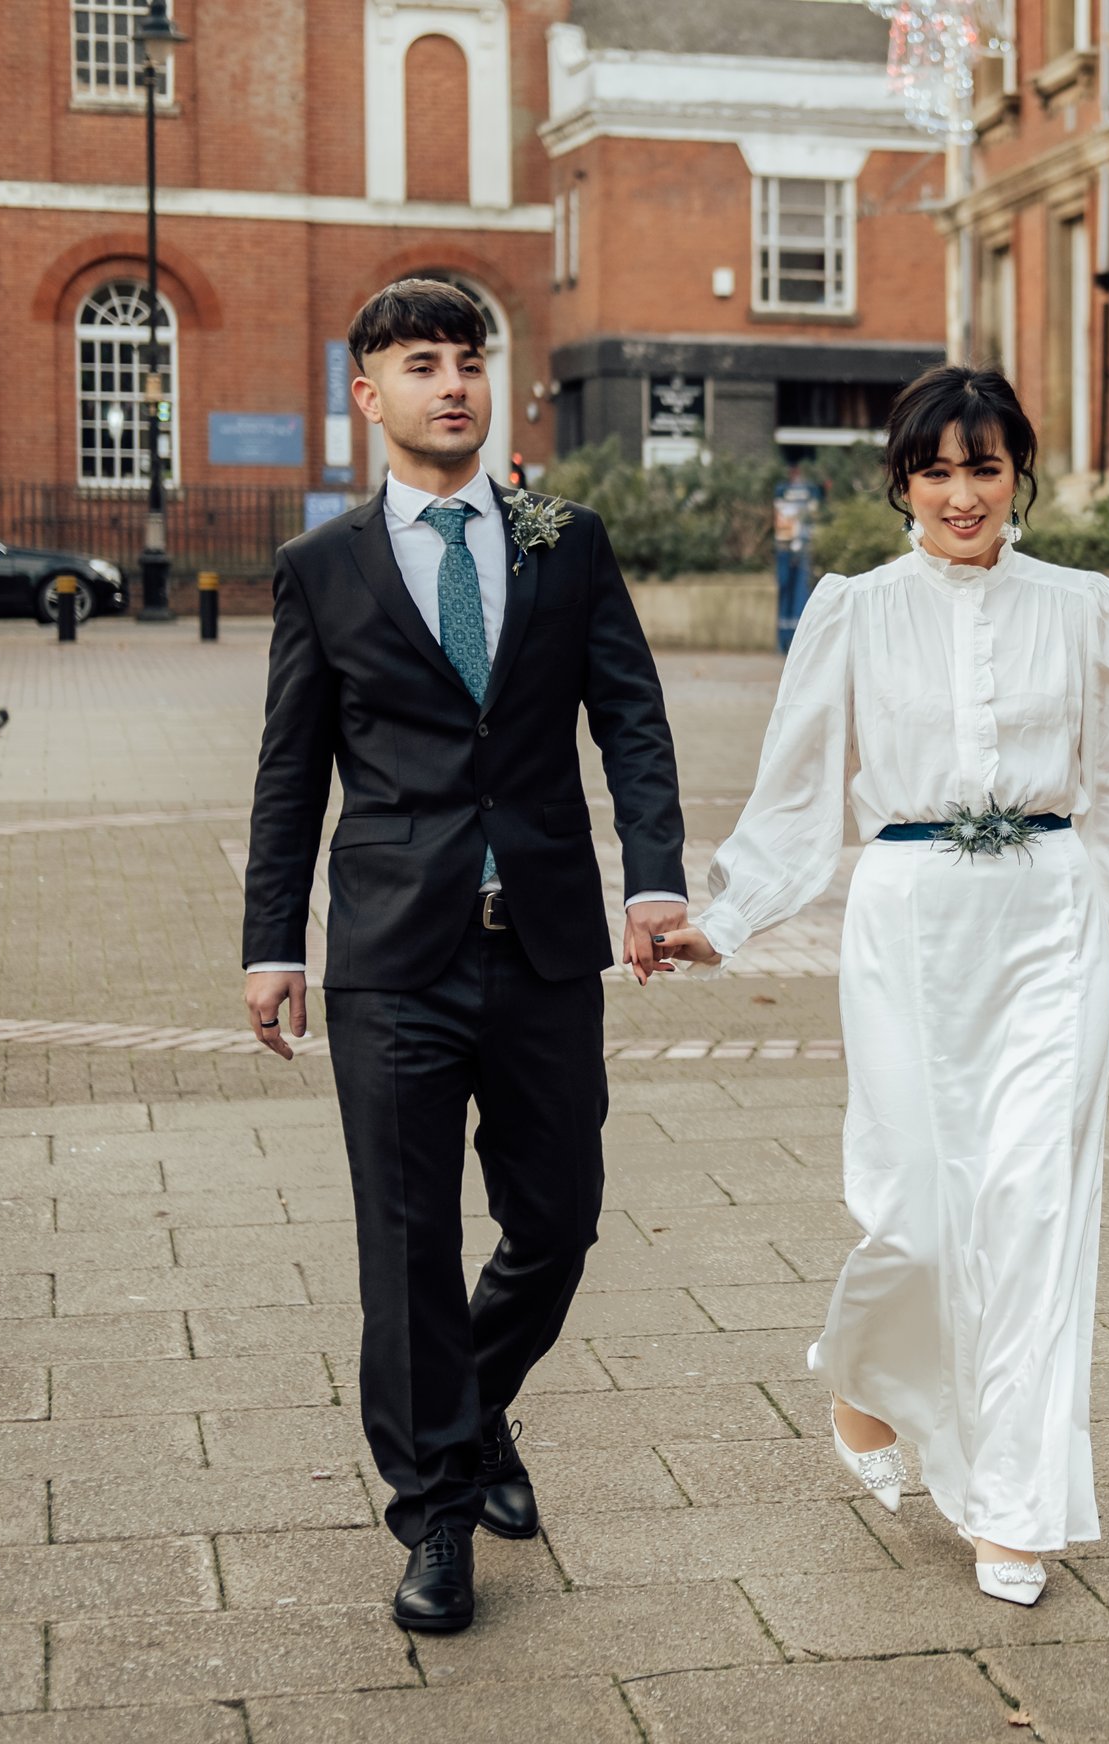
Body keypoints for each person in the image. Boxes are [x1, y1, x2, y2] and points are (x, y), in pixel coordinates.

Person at [656, 365, 1109, 1605]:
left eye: (985, 466)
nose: (961, 494)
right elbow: (798, 792)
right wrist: (726, 919)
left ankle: (1013, 1508)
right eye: (936, 469)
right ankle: (866, 1373)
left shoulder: (1089, 608)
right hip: (907, 924)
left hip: (1049, 923)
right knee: (913, 1209)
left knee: (1030, 1214)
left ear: (1022, 472)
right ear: (900, 479)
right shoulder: (853, 610)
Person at [239, 279, 689, 1634]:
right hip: (392, 959)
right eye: (422, 365)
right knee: (406, 1243)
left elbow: (633, 717)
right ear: (368, 396)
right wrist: (272, 946)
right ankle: (434, 1515)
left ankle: (473, 1404)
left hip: (544, 948)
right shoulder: (324, 569)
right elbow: (287, 775)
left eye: (470, 362)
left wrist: (655, 880)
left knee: (556, 1224)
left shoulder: (566, 539)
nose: (454, 385)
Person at [772, 456, 825, 653]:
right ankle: (783, 640)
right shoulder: (783, 491)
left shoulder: (808, 491)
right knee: (787, 591)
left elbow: (812, 517)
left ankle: (793, 639)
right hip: (786, 547)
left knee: (800, 593)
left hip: (800, 547)